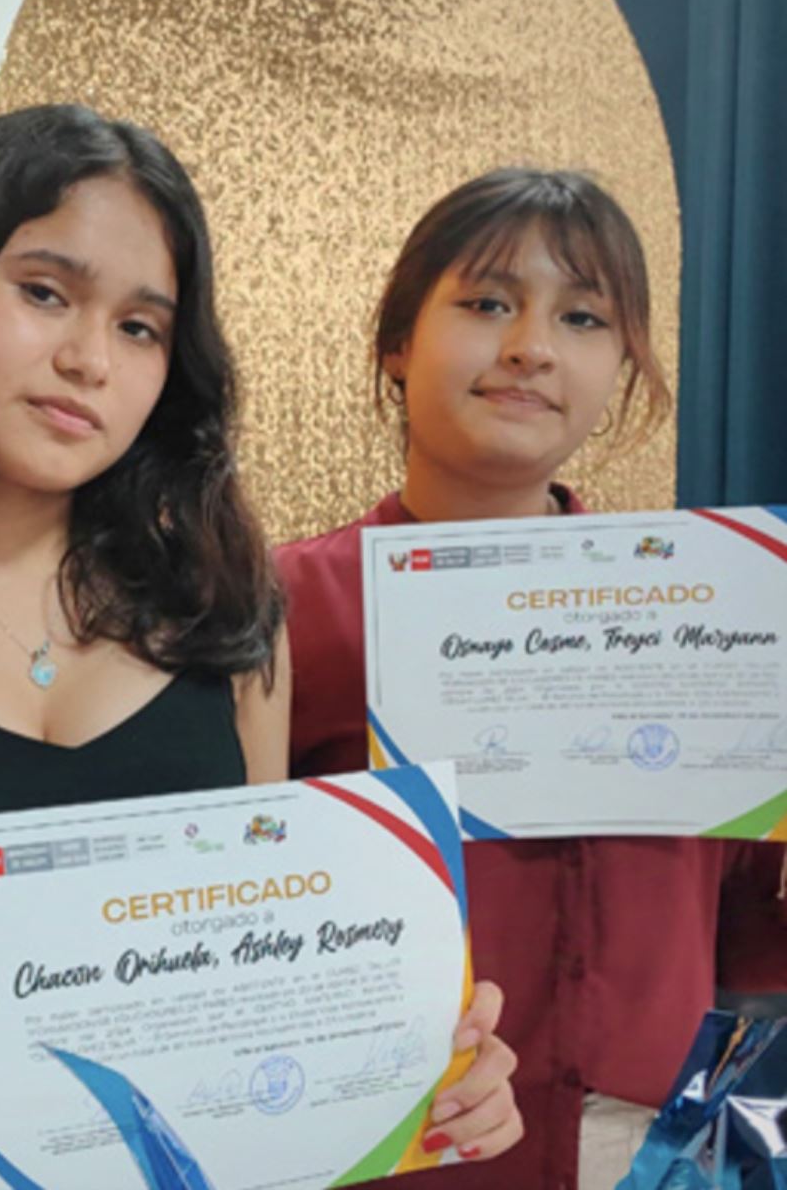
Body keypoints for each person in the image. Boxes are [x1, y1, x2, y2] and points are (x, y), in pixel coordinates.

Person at [0, 104, 522, 1190]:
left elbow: (252, 990)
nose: (87, 360)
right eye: (43, 292)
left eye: (140, 327)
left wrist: (416, 1070)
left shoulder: (228, 622)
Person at [277, 167, 787, 1190]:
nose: (532, 349)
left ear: (625, 362)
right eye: (487, 304)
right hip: (398, 1161)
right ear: (396, 339)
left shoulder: (715, 610)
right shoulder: (282, 614)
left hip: (658, 1162)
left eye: (585, 316)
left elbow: (746, 942)